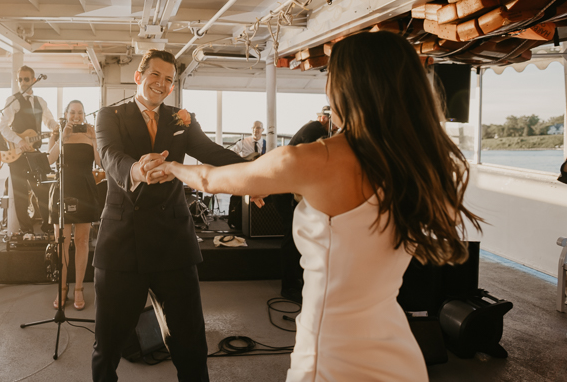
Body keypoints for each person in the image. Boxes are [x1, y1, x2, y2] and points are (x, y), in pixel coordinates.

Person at [151, 31, 482, 382]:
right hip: (397, 348)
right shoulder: (416, 162)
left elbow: (209, 180)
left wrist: (170, 167)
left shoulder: (318, 159)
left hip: (334, 351)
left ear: (345, 88)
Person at [93, 49, 245, 382]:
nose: (161, 85)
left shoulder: (181, 118)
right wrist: (136, 169)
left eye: (169, 80)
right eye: (155, 76)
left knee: (191, 342)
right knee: (107, 344)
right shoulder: (109, 115)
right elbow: (110, 156)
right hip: (121, 243)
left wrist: (256, 173)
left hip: (173, 242)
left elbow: (211, 152)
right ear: (138, 76)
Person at [276, 107, 340, 303]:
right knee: (291, 238)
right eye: (334, 122)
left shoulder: (316, 130)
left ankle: (296, 281)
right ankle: (288, 287)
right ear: (324, 119)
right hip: (284, 191)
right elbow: (310, 163)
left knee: (296, 236)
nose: (337, 127)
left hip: (288, 189)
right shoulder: (313, 130)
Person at [47, 100, 102, 311]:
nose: (76, 116)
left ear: (84, 115)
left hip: (85, 190)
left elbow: (100, 163)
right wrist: (62, 137)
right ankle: (61, 289)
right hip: (63, 190)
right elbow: (50, 160)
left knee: (82, 241)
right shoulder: (58, 133)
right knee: (62, 242)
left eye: (80, 113)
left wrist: (95, 139)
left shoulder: (90, 134)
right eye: (72, 113)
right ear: (66, 114)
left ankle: (78, 288)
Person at [0, 65, 58, 234]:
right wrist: (18, 141)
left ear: (33, 80)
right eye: (20, 80)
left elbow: (49, 121)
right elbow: (3, 127)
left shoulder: (41, 101)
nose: (23, 83)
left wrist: (58, 126)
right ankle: (26, 229)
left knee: (43, 189)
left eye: (26, 79)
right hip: (17, 155)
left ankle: (47, 226)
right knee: (20, 194)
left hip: (35, 152)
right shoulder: (13, 100)